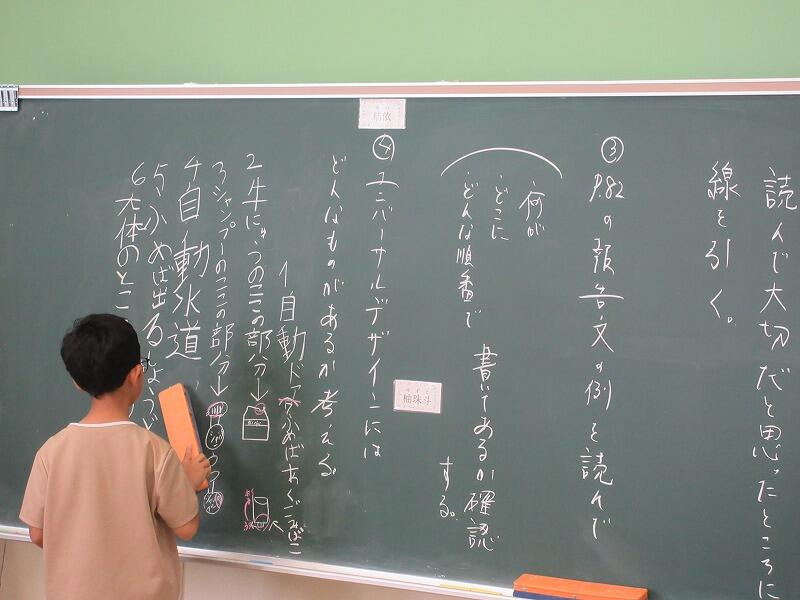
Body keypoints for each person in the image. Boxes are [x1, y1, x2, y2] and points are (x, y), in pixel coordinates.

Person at [19, 314, 211, 600]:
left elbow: (37, 533)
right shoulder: (155, 452)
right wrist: (186, 482)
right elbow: (186, 527)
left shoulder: (50, 452)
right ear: (136, 374)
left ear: (77, 383)